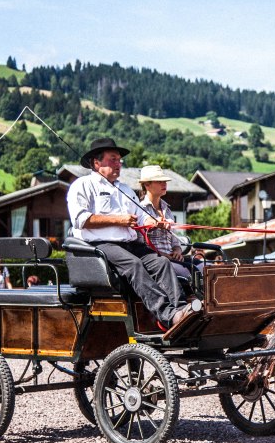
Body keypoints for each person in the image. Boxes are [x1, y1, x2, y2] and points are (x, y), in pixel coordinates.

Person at [65, 137, 196, 329]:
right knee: (134, 264)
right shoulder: (82, 185)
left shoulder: (125, 189)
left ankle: (182, 312)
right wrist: (119, 219)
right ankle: (167, 315)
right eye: (113, 159)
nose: (119, 164)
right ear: (96, 162)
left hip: (131, 244)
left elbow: (142, 218)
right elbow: (80, 219)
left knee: (162, 262)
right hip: (99, 246)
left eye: (119, 160)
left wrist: (156, 223)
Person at [138, 164, 192, 281]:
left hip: (172, 259)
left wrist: (177, 250)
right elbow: (141, 244)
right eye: (159, 181)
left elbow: (174, 240)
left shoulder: (167, 209)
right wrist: (162, 254)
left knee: (203, 266)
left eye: (165, 181)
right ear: (147, 184)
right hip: (156, 260)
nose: (164, 184)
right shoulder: (140, 209)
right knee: (188, 273)